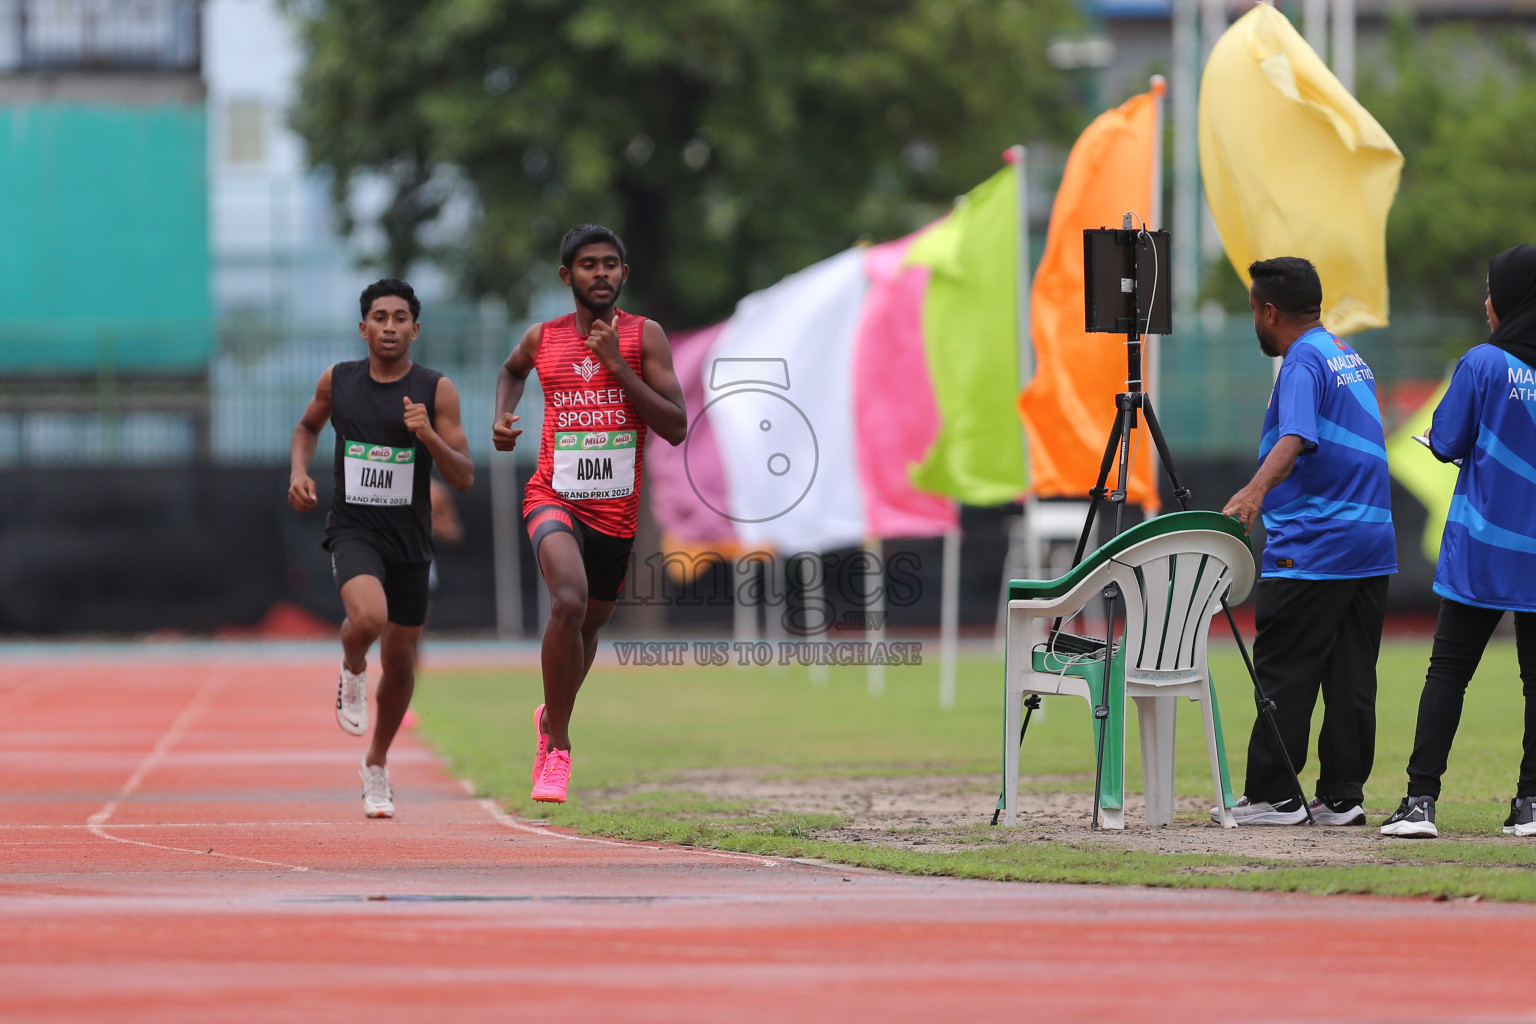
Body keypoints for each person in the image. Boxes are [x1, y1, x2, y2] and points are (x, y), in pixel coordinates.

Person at [492, 224, 686, 804]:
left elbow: (675, 427)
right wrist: (502, 418)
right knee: (568, 600)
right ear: (566, 276)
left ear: (624, 274)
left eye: (610, 264)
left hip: (615, 517)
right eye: (587, 264)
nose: (600, 273)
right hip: (552, 493)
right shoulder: (543, 338)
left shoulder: (644, 337)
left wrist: (619, 368)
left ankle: (549, 716)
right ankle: (559, 747)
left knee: (589, 628)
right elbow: (511, 371)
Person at [1218, 256, 1396, 827]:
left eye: (1253, 312)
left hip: (1317, 541)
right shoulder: (1348, 356)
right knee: (1350, 673)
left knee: (1285, 667)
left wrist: (1252, 493)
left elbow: (1297, 436)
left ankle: (1274, 794)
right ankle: (1342, 797)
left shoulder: (1300, 362)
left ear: (1270, 311)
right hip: (1371, 539)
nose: (1255, 323)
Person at [289, 279, 474, 818]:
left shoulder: (436, 390)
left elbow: (463, 477)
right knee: (368, 618)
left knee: (400, 660)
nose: (389, 326)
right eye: (379, 317)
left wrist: (429, 437)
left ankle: (376, 764)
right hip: (353, 528)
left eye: (399, 318)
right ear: (363, 327)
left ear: (415, 329)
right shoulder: (339, 381)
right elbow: (306, 426)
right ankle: (351, 666)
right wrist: (299, 471)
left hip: (410, 539)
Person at [1381, 245, 1536, 839]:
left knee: (1448, 670)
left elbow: (1444, 440)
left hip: (1484, 547)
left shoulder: (1483, 363)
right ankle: (1530, 806)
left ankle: (1420, 803)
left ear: (1509, 298)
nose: (1486, 303)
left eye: (1492, 292)